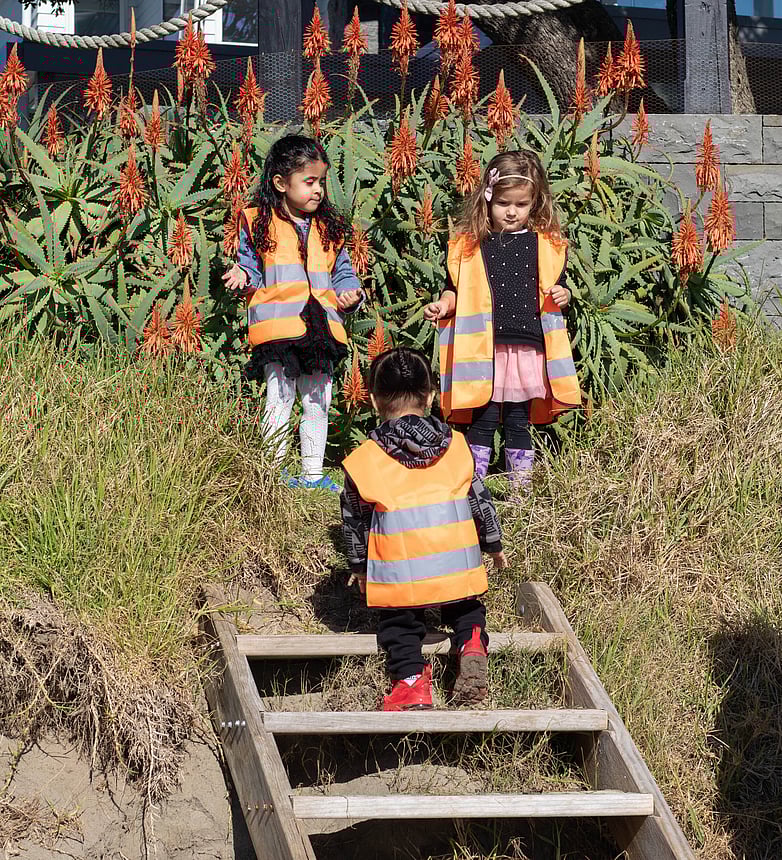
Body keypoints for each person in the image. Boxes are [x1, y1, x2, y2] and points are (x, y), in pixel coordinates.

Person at [341, 347, 507, 711]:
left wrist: (359, 567)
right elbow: (480, 500)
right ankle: (472, 641)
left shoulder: (364, 459)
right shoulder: (459, 446)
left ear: (373, 400)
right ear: (431, 396)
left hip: (400, 571)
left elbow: (354, 519)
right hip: (456, 565)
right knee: (466, 607)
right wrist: (493, 544)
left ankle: (412, 682)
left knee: (398, 622)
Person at [423, 149, 581, 487]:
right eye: (503, 203)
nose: (512, 212)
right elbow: (454, 288)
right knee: (482, 419)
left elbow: (559, 285)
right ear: (487, 199)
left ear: (535, 203)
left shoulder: (545, 245)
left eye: (521, 204)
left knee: (517, 421)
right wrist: (444, 305)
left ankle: (519, 488)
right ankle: (474, 486)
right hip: (483, 349)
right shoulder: (470, 246)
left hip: (525, 347)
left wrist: (564, 295)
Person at [222, 135, 363, 492]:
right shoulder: (258, 221)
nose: (318, 190)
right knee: (279, 398)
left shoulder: (330, 228)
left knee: (319, 399)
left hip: (321, 327)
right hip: (279, 329)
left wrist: (350, 294)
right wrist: (241, 275)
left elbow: (342, 273)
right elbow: (252, 267)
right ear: (281, 183)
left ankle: (312, 474)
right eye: (309, 181)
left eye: (321, 182)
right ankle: (270, 474)